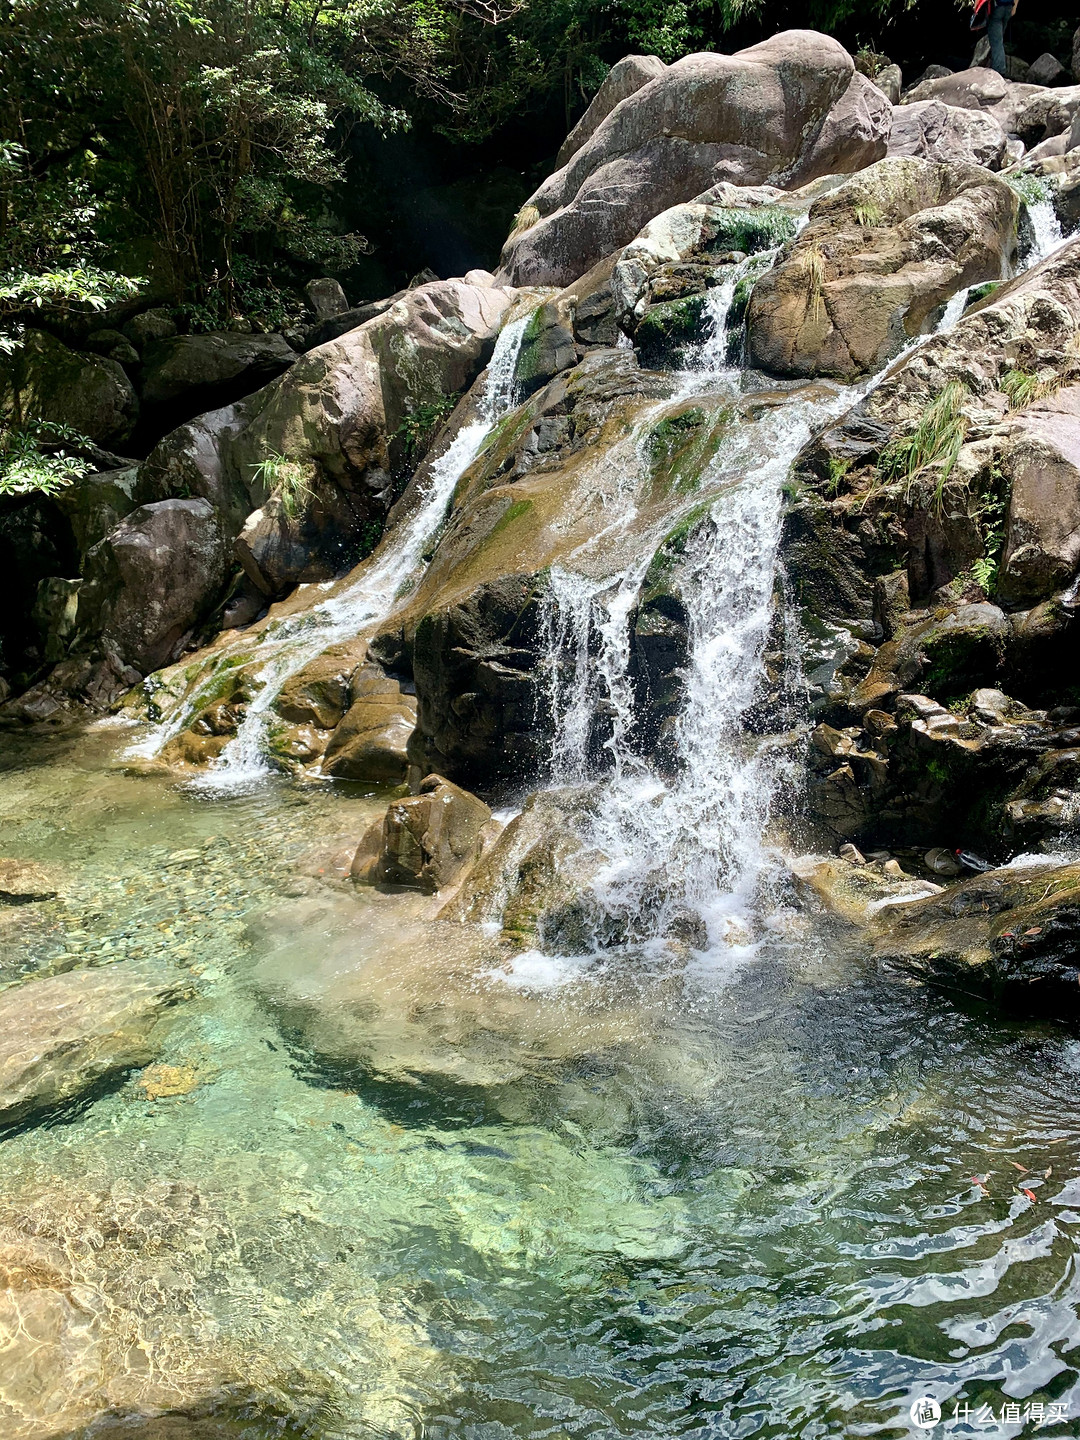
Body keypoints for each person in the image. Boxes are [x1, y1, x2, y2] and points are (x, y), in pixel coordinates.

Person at [987, 0, 1018, 76]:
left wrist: (976, 7)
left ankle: (999, 71)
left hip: (997, 7)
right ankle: (996, 66)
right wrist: (1014, 7)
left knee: (997, 42)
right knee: (999, 40)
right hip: (1008, 7)